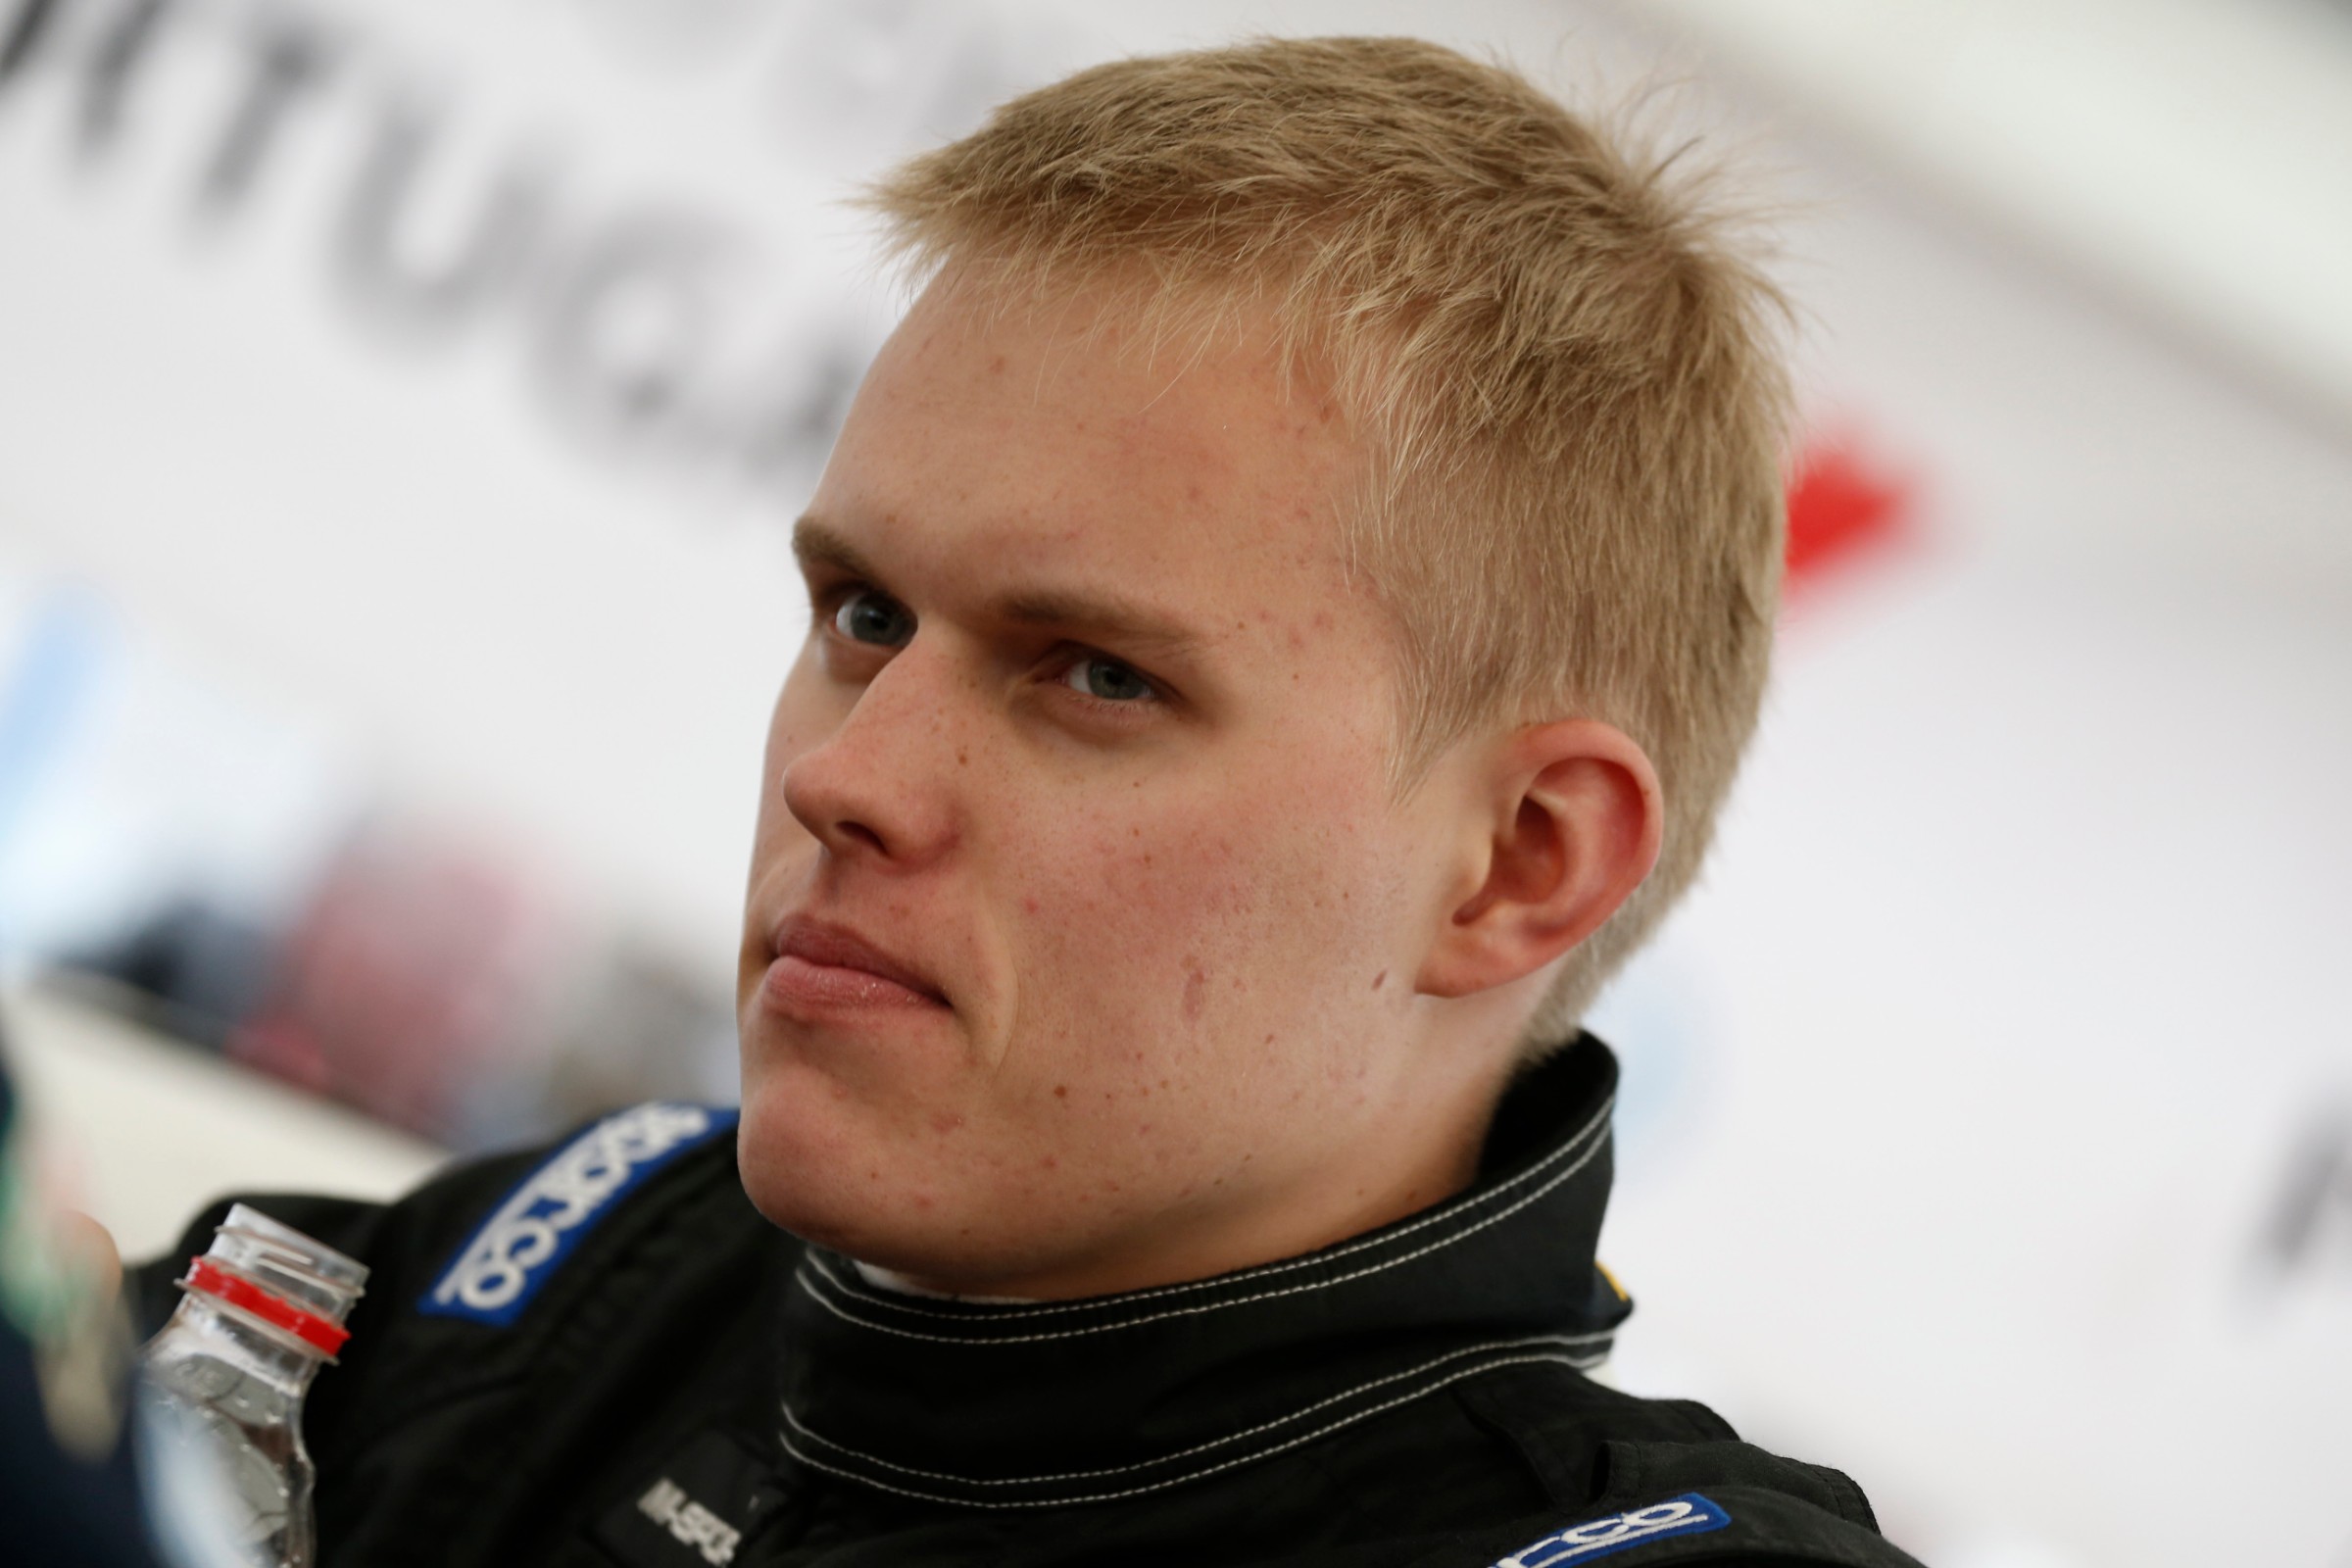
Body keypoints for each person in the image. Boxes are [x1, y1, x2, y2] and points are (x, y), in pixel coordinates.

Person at [134, 36, 1924, 1568]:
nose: (848, 776)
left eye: (1098, 676)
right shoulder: (592, 1267)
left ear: (1516, 866)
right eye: (863, 616)